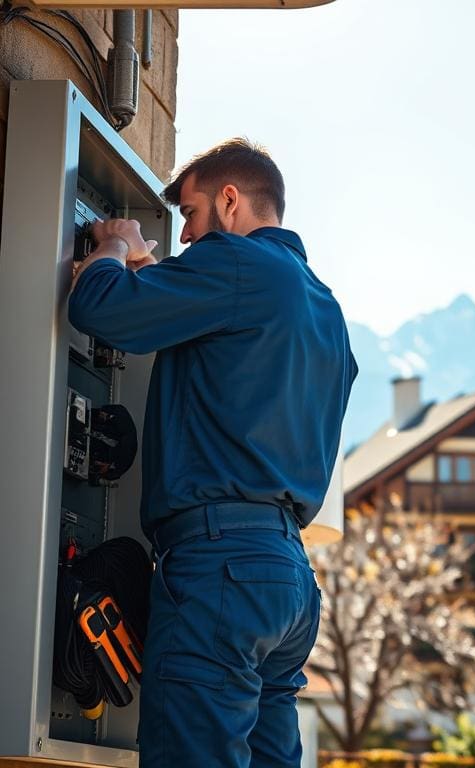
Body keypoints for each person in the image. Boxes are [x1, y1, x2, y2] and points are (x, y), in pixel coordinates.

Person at [69, 138, 358, 768]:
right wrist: (157, 274)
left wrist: (115, 244)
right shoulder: (324, 308)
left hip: (219, 568)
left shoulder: (237, 263)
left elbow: (99, 307)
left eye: (192, 220)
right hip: (287, 580)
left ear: (230, 201)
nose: (189, 241)